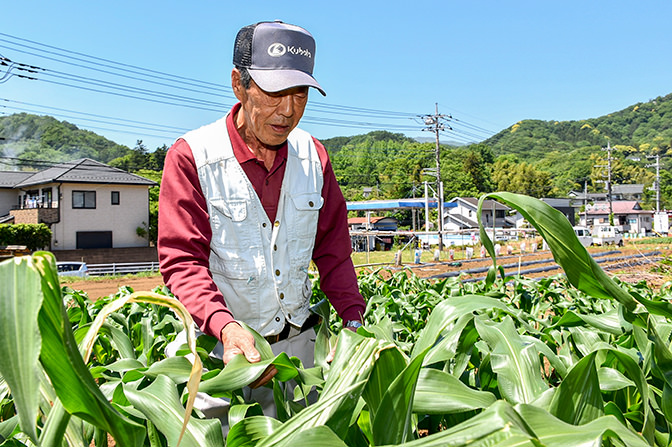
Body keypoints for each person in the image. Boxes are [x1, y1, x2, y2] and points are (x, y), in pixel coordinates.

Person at [157, 20, 366, 404]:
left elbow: (334, 252)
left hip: (299, 355)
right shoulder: (193, 156)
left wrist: (353, 320)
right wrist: (226, 328)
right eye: (274, 92)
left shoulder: (314, 157)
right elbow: (182, 262)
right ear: (239, 83)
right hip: (222, 355)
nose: (287, 111)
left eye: (300, 93)